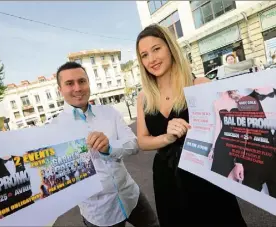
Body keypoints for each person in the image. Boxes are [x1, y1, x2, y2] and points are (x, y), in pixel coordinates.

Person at [135, 24, 247, 227]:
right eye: (144, 55)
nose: (151, 59)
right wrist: (166, 138)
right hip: (167, 178)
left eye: (156, 49)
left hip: (205, 174)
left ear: (170, 48)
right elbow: (142, 141)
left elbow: (227, 131)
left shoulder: (199, 85)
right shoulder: (144, 98)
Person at [51, 61, 159, 227]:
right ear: (60, 90)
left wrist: (110, 148)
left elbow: (133, 143)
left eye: (82, 81)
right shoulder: (54, 129)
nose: (78, 88)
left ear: (88, 83)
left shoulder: (109, 112)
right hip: (99, 213)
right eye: (69, 83)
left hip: (131, 195)